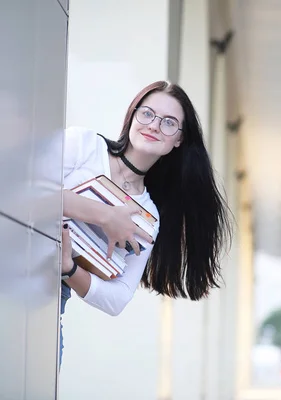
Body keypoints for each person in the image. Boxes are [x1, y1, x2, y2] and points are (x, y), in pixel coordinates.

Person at [59, 80, 232, 366]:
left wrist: (69, 269)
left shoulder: (148, 218)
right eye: (147, 114)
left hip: (51, 300)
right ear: (133, 115)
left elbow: (117, 299)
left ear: (178, 139)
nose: (153, 125)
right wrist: (105, 215)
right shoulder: (84, 145)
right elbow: (22, 189)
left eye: (168, 122)